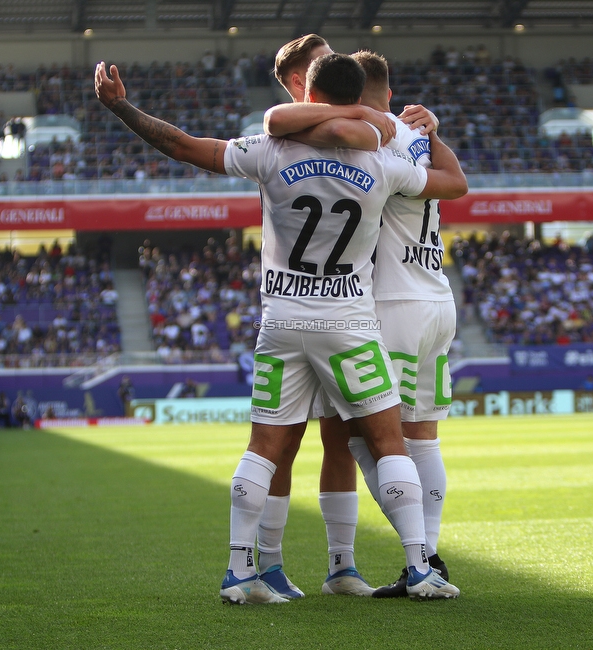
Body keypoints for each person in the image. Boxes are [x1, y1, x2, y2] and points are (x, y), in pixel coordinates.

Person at [96, 49, 466, 604]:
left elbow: (181, 145)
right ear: (359, 97)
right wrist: (408, 128)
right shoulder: (387, 159)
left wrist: (123, 108)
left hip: (283, 320)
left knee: (264, 448)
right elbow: (448, 184)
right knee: (390, 442)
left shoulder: (268, 149)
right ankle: (420, 565)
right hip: (348, 323)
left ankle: (239, 570)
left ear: (308, 94)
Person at [265, 49, 457, 598]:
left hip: (380, 304)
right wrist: (433, 132)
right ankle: (425, 557)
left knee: (364, 439)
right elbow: (456, 182)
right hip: (435, 299)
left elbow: (278, 125)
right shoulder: (414, 137)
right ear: (391, 93)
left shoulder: (362, 136)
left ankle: (416, 561)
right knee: (421, 438)